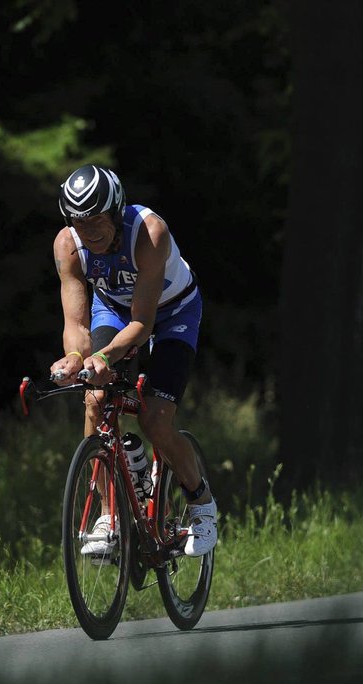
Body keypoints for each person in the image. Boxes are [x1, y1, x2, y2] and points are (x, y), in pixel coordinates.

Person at [48, 164, 217, 557]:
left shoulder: (148, 232)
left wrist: (104, 356)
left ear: (117, 211)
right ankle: (111, 517)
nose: (88, 233)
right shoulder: (67, 245)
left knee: (155, 418)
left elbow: (143, 325)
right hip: (114, 311)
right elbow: (76, 322)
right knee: (94, 399)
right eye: (79, 222)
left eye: (97, 222)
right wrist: (76, 357)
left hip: (172, 313)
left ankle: (202, 504)